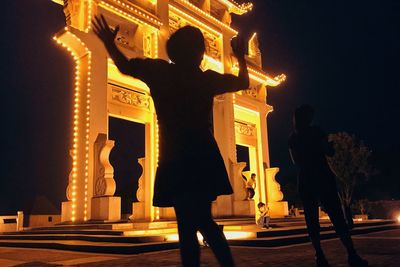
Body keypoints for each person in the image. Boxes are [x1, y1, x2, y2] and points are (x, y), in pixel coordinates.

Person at [93, 15, 249, 267]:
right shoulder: (204, 79)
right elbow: (243, 81)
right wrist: (239, 57)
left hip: (174, 157)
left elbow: (125, 66)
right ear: (198, 52)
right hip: (201, 155)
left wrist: (109, 44)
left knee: (188, 225)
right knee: (200, 221)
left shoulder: (160, 71)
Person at [288, 105, 368, 267]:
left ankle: (320, 257)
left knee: (311, 220)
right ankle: (352, 255)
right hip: (322, 176)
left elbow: (295, 161)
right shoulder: (316, 131)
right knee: (337, 216)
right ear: (308, 117)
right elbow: (329, 152)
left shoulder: (293, 138)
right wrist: (327, 147)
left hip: (305, 179)